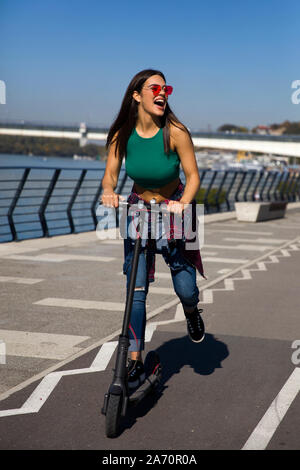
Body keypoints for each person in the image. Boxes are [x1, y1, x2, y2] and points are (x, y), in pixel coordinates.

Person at [101, 69, 206, 389]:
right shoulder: (122, 134)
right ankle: (134, 361)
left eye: (166, 88)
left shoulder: (176, 131)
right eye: (155, 88)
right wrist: (108, 192)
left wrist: (183, 203)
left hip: (174, 207)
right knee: (135, 290)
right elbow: (110, 175)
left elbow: (193, 176)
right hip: (137, 209)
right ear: (137, 95)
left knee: (185, 288)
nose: (162, 93)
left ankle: (191, 311)